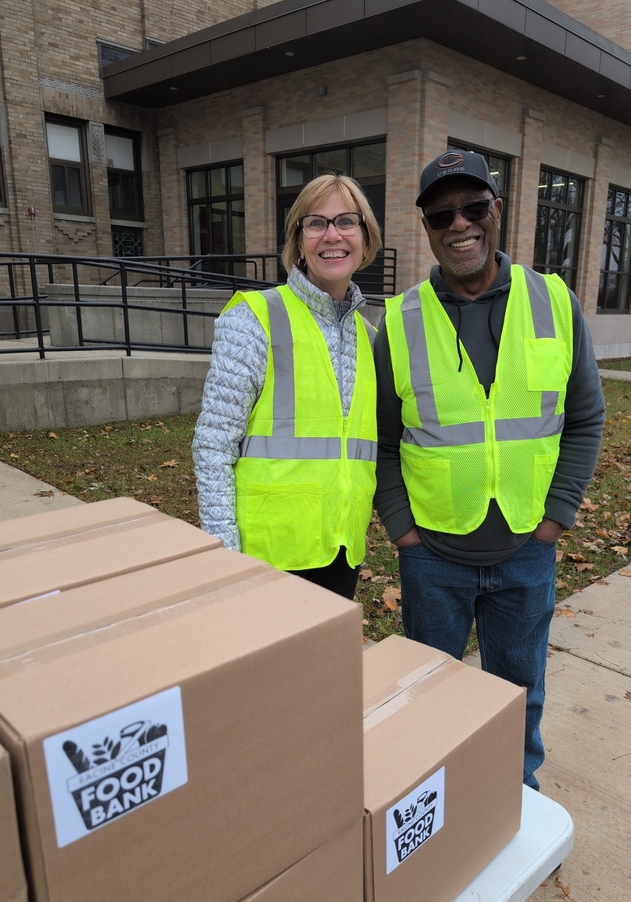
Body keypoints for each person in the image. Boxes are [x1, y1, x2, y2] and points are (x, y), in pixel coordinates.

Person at [374, 150, 605, 788]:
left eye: (474, 208)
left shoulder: (554, 302)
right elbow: (382, 442)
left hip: (526, 552)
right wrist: (404, 533)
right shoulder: (398, 321)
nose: (460, 225)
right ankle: (436, 813)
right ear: (426, 227)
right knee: (428, 700)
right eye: (442, 214)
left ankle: (516, 806)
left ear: (497, 212)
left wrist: (555, 521)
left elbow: (585, 419)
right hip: (434, 559)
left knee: (519, 694)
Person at [193, 173, 382, 599]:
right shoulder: (255, 318)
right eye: (315, 223)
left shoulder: (370, 340)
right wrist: (224, 556)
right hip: (265, 557)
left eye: (346, 222)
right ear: (298, 242)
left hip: (340, 553)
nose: (332, 235)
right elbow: (213, 447)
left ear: (365, 238)